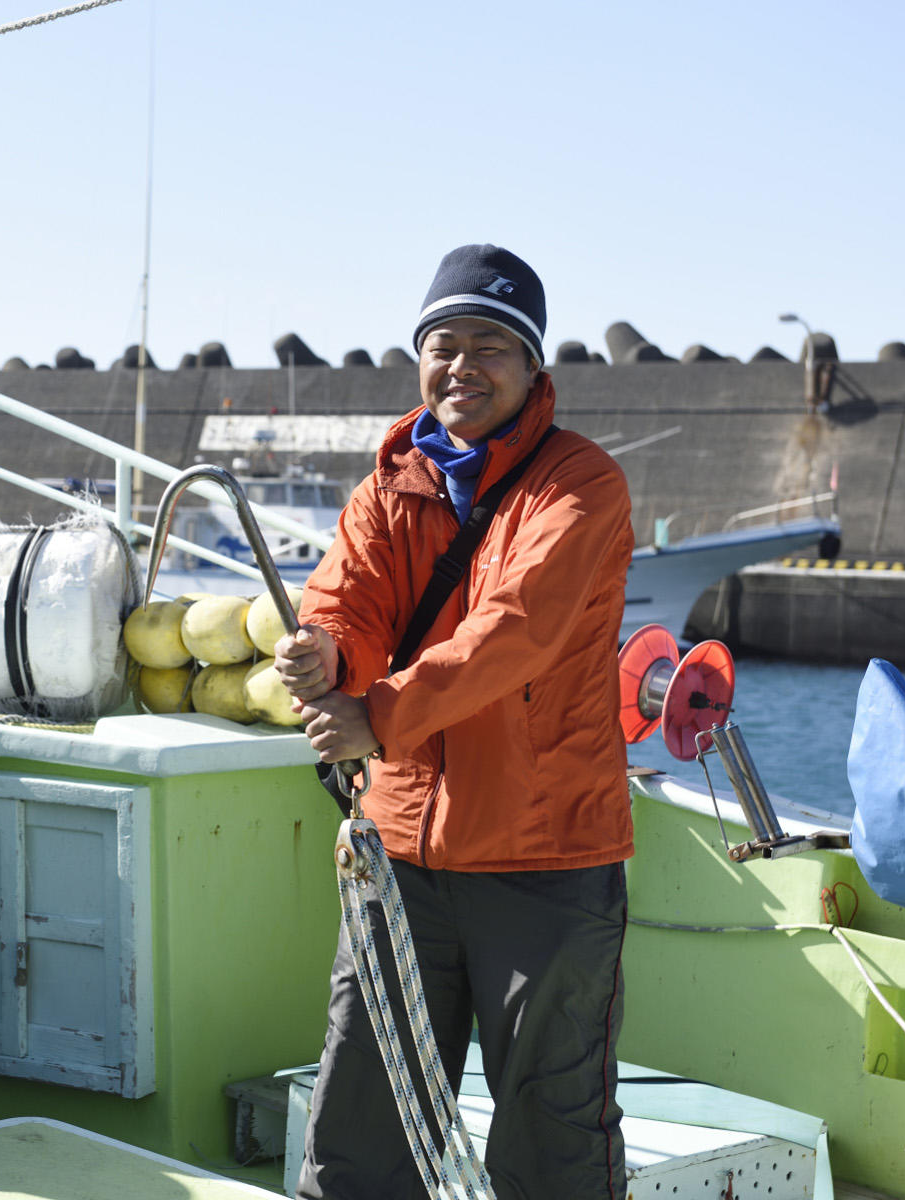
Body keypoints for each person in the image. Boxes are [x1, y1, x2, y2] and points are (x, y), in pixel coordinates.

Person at [276, 244, 635, 1200]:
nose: (462, 366)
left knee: (550, 1134)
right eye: (444, 343)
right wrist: (323, 653)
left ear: (533, 370)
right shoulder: (387, 484)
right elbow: (348, 600)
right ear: (418, 358)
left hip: (544, 858)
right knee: (359, 1115)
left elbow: (512, 632)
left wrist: (374, 714)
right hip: (402, 854)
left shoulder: (581, 485)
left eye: (491, 346)